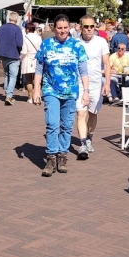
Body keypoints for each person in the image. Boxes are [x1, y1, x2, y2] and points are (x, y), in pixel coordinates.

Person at [33, 14, 89, 176]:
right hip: (50, 90)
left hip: (70, 91)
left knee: (66, 125)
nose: (62, 31)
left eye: (65, 28)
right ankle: (51, 158)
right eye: (59, 28)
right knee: (52, 123)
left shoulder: (76, 45)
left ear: (69, 28)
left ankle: (62, 156)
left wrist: (86, 91)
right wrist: (36, 90)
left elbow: (83, 70)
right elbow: (39, 69)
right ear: (54, 28)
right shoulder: (46, 44)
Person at [75, 15, 111, 158]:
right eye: (86, 26)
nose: (89, 29)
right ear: (81, 27)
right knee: (81, 113)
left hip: (96, 82)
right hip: (79, 82)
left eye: (92, 26)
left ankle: (89, 137)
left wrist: (107, 83)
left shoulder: (101, 42)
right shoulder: (75, 43)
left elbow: (107, 63)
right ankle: (83, 144)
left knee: (92, 113)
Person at [0, 12, 23, 105]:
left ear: (9, 18)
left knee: (7, 74)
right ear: (16, 19)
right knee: (13, 76)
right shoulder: (17, 29)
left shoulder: (1, 28)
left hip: (3, 54)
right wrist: (19, 51)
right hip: (14, 54)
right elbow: (20, 43)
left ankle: (7, 92)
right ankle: (9, 95)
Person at [20, 22, 42, 103]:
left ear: (27, 29)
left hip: (27, 58)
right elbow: (40, 49)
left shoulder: (25, 38)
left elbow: (24, 51)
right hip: (37, 59)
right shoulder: (38, 37)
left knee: (29, 79)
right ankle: (37, 96)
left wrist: (20, 58)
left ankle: (30, 97)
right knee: (37, 80)